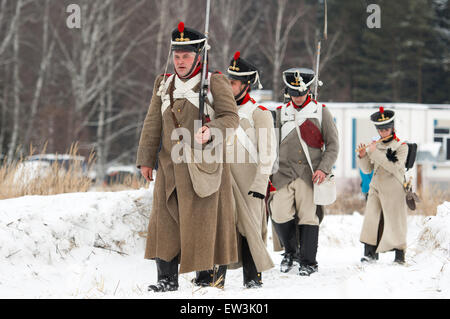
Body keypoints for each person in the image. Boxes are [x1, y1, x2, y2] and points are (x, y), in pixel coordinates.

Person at [135, 22, 240, 292]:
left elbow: (231, 118)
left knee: (206, 224)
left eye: (186, 56)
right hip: (170, 166)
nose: (180, 62)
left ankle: (207, 279)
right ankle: (166, 280)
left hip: (204, 167)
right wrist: (146, 158)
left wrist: (212, 129)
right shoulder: (164, 83)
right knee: (164, 222)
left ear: (198, 56)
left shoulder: (214, 81)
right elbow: (152, 123)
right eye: (177, 56)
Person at [202, 51, 276, 288]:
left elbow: (268, 153)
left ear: (246, 85)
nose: (228, 86)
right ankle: (216, 281)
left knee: (250, 230)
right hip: (222, 179)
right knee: (220, 229)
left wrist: (260, 184)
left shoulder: (259, 114)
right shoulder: (216, 112)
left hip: (249, 183)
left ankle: (253, 281)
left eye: (232, 83)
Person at [269, 68, 339, 276]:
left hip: (310, 175)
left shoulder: (321, 111)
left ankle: (308, 262)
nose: (297, 97)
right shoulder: (281, 113)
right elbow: (272, 144)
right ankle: (291, 252)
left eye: (301, 92)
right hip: (282, 174)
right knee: (279, 213)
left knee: (308, 217)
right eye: (293, 92)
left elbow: (333, 146)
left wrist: (323, 169)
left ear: (309, 90)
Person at [357, 107, 408, 264]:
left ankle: (399, 255)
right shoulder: (374, 145)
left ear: (392, 127)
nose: (383, 132)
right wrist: (362, 156)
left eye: (386, 129)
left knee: (395, 221)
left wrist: (375, 153)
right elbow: (367, 169)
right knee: (371, 219)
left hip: (394, 188)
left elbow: (394, 167)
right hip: (376, 187)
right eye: (380, 129)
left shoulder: (401, 146)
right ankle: (370, 253)